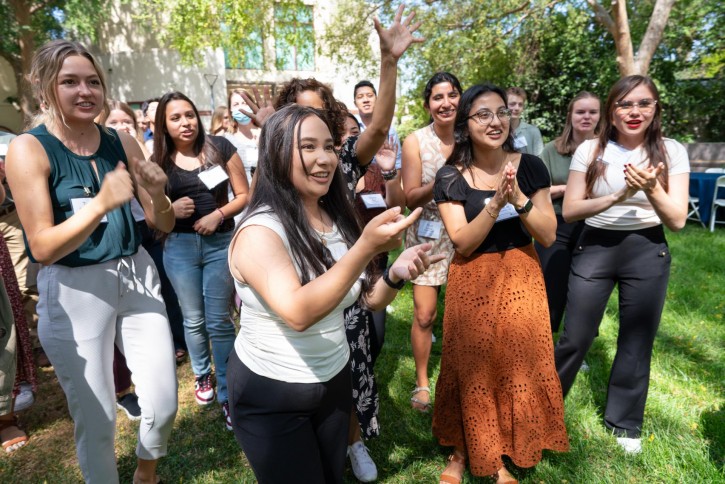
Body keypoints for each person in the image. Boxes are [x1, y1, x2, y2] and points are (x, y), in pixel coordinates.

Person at [227, 103, 443, 484]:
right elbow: (297, 312)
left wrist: (394, 273)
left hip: (334, 380)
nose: (324, 158)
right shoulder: (259, 231)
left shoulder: (333, 216)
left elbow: (366, 300)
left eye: (329, 146)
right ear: (275, 153)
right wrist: (366, 248)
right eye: (307, 147)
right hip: (273, 393)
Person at [5, 39, 178, 483]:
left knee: (163, 400)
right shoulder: (29, 148)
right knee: (98, 419)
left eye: (93, 81)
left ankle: (146, 473)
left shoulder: (120, 140)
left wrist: (158, 193)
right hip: (75, 288)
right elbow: (42, 246)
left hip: (136, 272)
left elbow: (164, 222)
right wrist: (101, 205)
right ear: (46, 89)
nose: (86, 91)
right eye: (70, 82)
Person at [432, 83, 569, 483]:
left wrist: (520, 200)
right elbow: (463, 241)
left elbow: (546, 235)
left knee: (516, 361)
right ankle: (468, 452)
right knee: (470, 364)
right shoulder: (449, 176)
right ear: (465, 124)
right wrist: (494, 203)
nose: (495, 122)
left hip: (521, 272)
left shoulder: (530, 165)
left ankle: (506, 442)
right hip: (473, 277)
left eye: (501, 112)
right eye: (483, 114)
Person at [554, 75, 690, 454]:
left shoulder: (671, 151)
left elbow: (677, 219)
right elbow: (571, 210)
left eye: (644, 104)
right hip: (595, 245)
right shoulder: (590, 150)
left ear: (655, 109)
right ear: (611, 111)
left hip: (647, 249)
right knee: (576, 336)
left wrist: (650, 188)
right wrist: (618, 195)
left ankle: (624, 423)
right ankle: (545, 406)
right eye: (625, 105)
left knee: (636, 338)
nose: (634, 112)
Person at [154, 91, 249, 431]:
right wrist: (170, 209)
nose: (185, 123)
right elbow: (153, 216)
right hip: (179, 247)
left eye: (189, 115)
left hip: (220, 242)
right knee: (193, 321)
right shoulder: (160, 163)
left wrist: (217, 215)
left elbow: (244, 195)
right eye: (176, 117)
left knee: (219, 321)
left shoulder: (220, 147)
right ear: (163, 125)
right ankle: (201, 375)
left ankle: (226, 393)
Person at [401, 72, 461, 413]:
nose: (446, 103)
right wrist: (441, 179)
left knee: (462, 315)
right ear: (428, 105)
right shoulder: (415, 141)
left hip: (468, 232)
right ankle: (423, 382)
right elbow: (410, 197)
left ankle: (460, 377)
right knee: (425, 315)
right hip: (428, 233)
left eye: (452, 95)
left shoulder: (471, 136)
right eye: (438, 97)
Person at [535, 92, 601, 332]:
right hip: (557, 225)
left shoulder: (606, 150)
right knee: (552, 288)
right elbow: (535, 191)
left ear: (599, 116)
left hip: (594, 226)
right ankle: (544, 341)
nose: (586, 117)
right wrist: (568, 188)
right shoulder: (553, 151)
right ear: (570, 116)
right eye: (580, 112)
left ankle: (575, 343)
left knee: (585, 290)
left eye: (592, 112)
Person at [353, 80, 403, 169]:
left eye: (370, 96)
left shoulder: (389, 131)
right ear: (355, 103)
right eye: (360, 97)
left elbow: (398, 166)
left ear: (377, 99)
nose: (366, 100)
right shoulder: (351, 129)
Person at [227, 90, 261, 185]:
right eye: (236, 104)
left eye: (244, 103)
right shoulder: (227, 140)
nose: (241, 108)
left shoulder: (265, 133)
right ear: (230, 109)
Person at [507, 87, 544, 156]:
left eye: (520, 105)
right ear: (504, 105)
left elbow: (540, 160)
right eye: (512, 104)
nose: (517, 108)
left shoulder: (533, 131)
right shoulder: (498, 131)